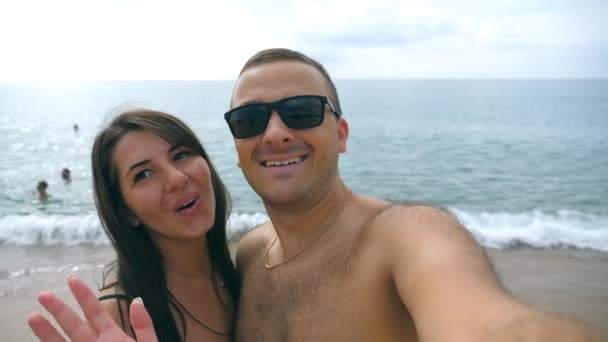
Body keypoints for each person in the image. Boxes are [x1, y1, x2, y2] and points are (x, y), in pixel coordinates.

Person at [27, 50, 597, 341]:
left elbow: (488, 324)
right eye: (251, 119)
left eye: (300, 112)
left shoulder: (406, 236)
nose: (275, 132)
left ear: (341, 133)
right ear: (238, 144)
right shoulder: (246, 257)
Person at [28, 109, 239, 341]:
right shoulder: (119, 320)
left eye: (180, 155)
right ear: (126, 212)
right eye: (144, 174)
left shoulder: (248, 267)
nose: (177, 178)